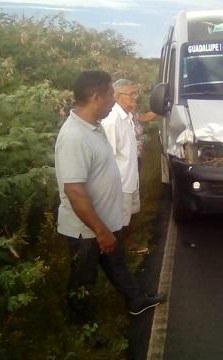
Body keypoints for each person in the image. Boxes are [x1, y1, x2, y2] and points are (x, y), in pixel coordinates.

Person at [54, 71, 163, 342]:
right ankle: (83, 332)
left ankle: (137, 301)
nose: (113, 102)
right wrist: (100, 230)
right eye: (110, 95)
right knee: (83, 281)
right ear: (95, 96)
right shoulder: (73, 136)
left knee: (117, 265)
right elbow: (74, 191)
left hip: (102, 223)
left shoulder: (93, 126)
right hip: (86, 229)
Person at [102, 79, 142, 235]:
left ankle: (125, 250)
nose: (135, 97)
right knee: (117, 227)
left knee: (127, 220)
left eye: (135, 93)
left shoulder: (127, 117)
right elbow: (107, 159)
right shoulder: (112, 121)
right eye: (131, 94)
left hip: (130, 180)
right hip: (119, 186)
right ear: (118, 96)